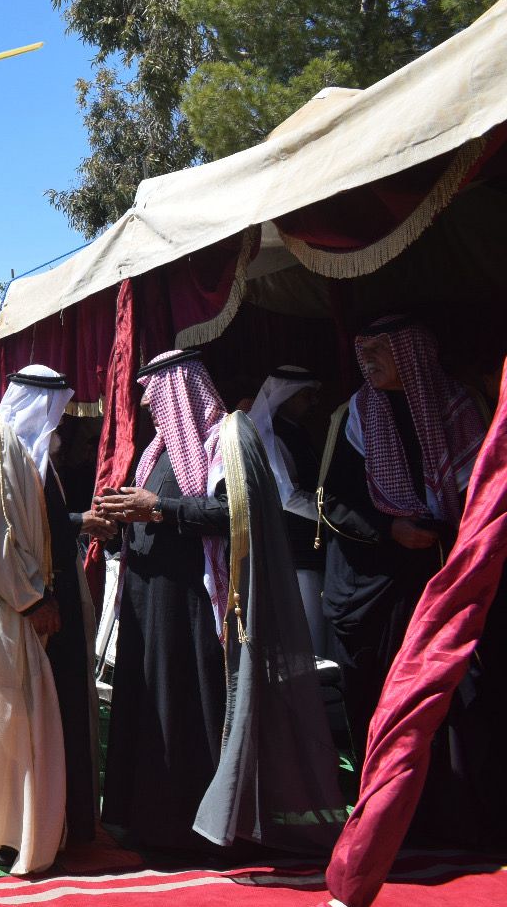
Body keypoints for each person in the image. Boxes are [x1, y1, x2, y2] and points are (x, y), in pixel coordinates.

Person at [97, 351, 339, 856]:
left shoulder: (225, 441)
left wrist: (158, 508)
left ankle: (201, 827)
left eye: (153, 391)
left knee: (191, 705)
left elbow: (237, 512)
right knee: (153, 705)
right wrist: (123, 517)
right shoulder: (157, 450)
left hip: (194, 607)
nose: (146, 402)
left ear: (179, 389)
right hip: (151, 603)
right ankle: (150, 819)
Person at [319, 317, 504, 846]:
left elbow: (485, 489)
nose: (369, 360)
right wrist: (391, 530)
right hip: (379, 586)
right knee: (383, 695)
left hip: (445, 574)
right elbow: (335, 502)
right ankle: (393, 822)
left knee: (458, 696)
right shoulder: (356, 416)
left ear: (413, 353)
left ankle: (464, 818)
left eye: (381, 350)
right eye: (365, 350)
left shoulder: (458, 408)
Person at [0, 367, 104, 874]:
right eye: (56, 412)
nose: (60, 424)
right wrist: (32, 600)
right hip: (8, 617)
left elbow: (34, 525)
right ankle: (1, 830)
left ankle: (42, 821)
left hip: (22, 610)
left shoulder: (16, 449)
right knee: (7, 718)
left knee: (23, 718)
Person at [247, 366, 336, 660]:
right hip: (295, 551)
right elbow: (287, 498)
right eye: (306, 395)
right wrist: (335, 516)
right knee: (309, 638)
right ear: (287, 395)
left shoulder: (297, 431)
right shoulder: (273, 435)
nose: (313, 403)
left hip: (312, 545)